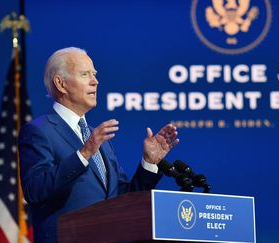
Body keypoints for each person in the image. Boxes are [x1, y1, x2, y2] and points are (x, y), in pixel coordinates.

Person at [18, 47, 179, 243]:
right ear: (61, 84)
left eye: (94, 74)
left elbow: (123, 199)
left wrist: (149, 163)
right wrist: (84, 153)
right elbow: (35, 191)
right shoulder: (40, 130)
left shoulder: (99, 138)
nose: (95, 81)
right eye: (85, 74)